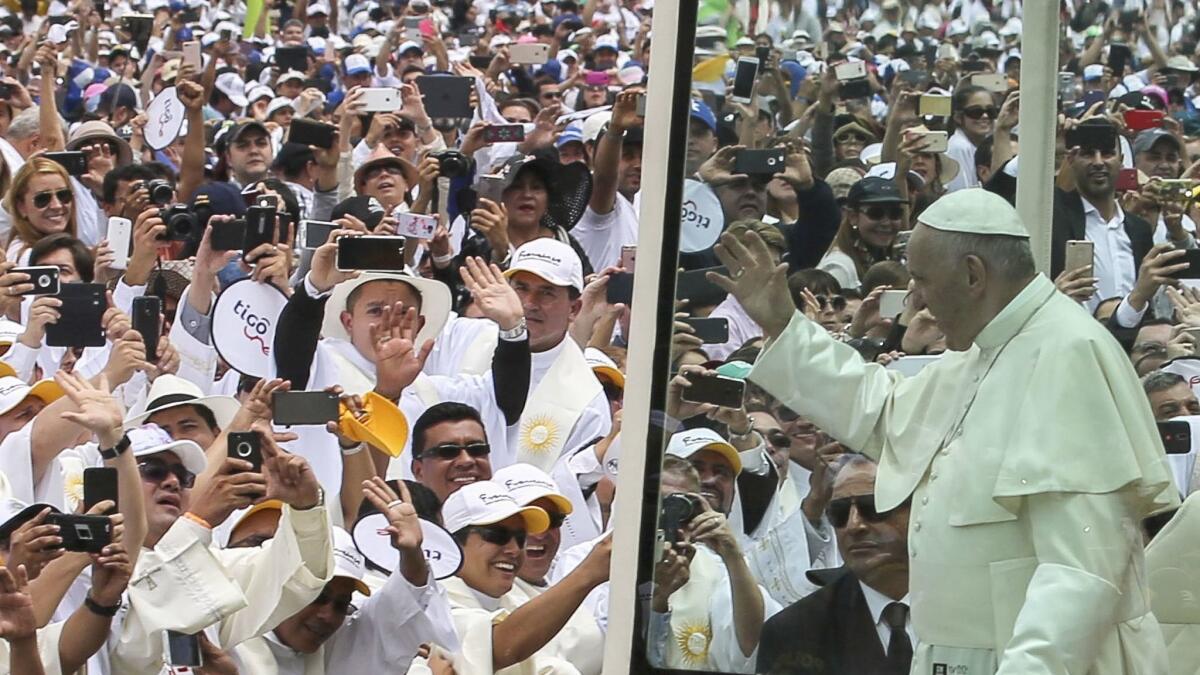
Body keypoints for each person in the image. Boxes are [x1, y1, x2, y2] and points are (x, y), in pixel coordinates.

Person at [714, 188, 1178, 672]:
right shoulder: (981, 355)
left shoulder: (1066, 354)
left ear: (974, 274)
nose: (915, 298)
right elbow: (882, 411)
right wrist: (784, 325)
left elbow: (1082, 569)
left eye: (920, 279)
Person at [230, 478, 460, 674]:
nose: (327, 616)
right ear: (285, 584)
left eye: (342, 605)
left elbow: (399, 606)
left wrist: (412, 553)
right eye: (318, 596)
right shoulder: (228, 635)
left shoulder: (334, 646)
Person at [758, 454, 912, 675]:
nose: (854, 525)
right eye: (839, 513)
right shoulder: (795, 630)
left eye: (873, 506)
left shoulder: (972, 607)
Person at [439, 480, 612, 673]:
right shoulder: (433, 602)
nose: (514, 549)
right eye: (497, 536)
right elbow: (499, 647)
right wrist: (588, 574)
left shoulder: (515, 601)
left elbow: (550, 667)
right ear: (451, 544)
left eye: (520, 538)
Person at [649, 453, 778, 672]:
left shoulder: (717, 570)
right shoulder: (600, 558)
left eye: (681, 507)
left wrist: (732, 555)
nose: (668, 517)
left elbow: (750, 649)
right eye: (660, 503)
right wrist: (658, 599)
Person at [818, 177, 905, 290]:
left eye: (895, 213)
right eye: (876, 213)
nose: (886, 222)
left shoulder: (887, 257)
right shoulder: (839, 268)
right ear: (853, 216)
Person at [3, 158, 76, 264]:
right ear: (21, 207)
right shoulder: (29, 256)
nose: (56, 205)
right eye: (42, 199)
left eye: (63, 195)